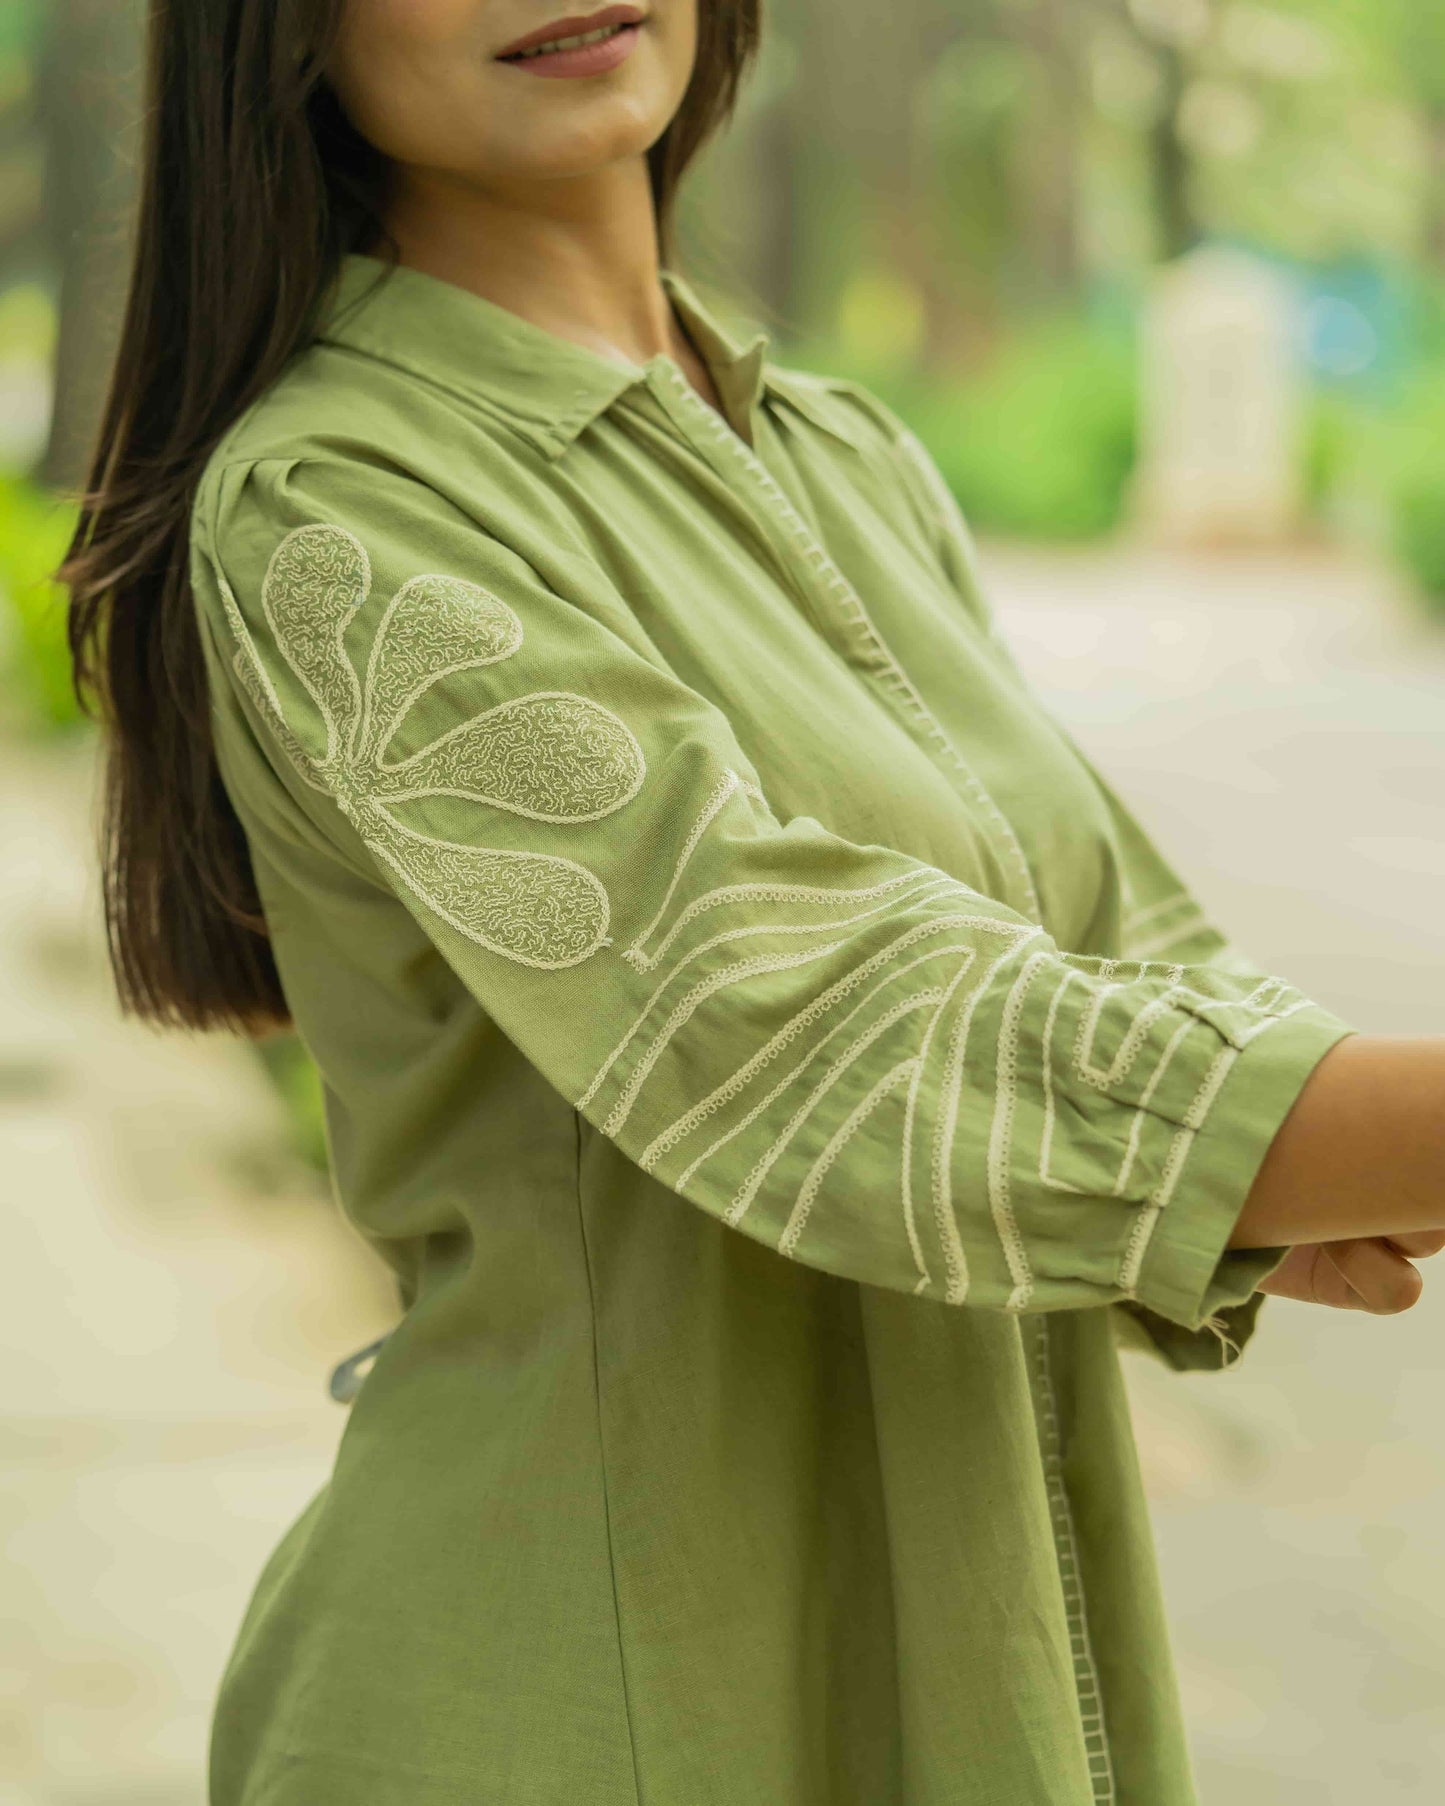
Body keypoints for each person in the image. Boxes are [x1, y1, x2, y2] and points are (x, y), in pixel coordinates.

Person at [58, 3, 1445, 1803]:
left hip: (973, 1657)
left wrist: (1294, 1146)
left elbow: (1114, 968)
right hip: (570, 1703)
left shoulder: (843, 455)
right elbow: (825, 1030)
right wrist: (1255, 1145)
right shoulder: (341, 503)